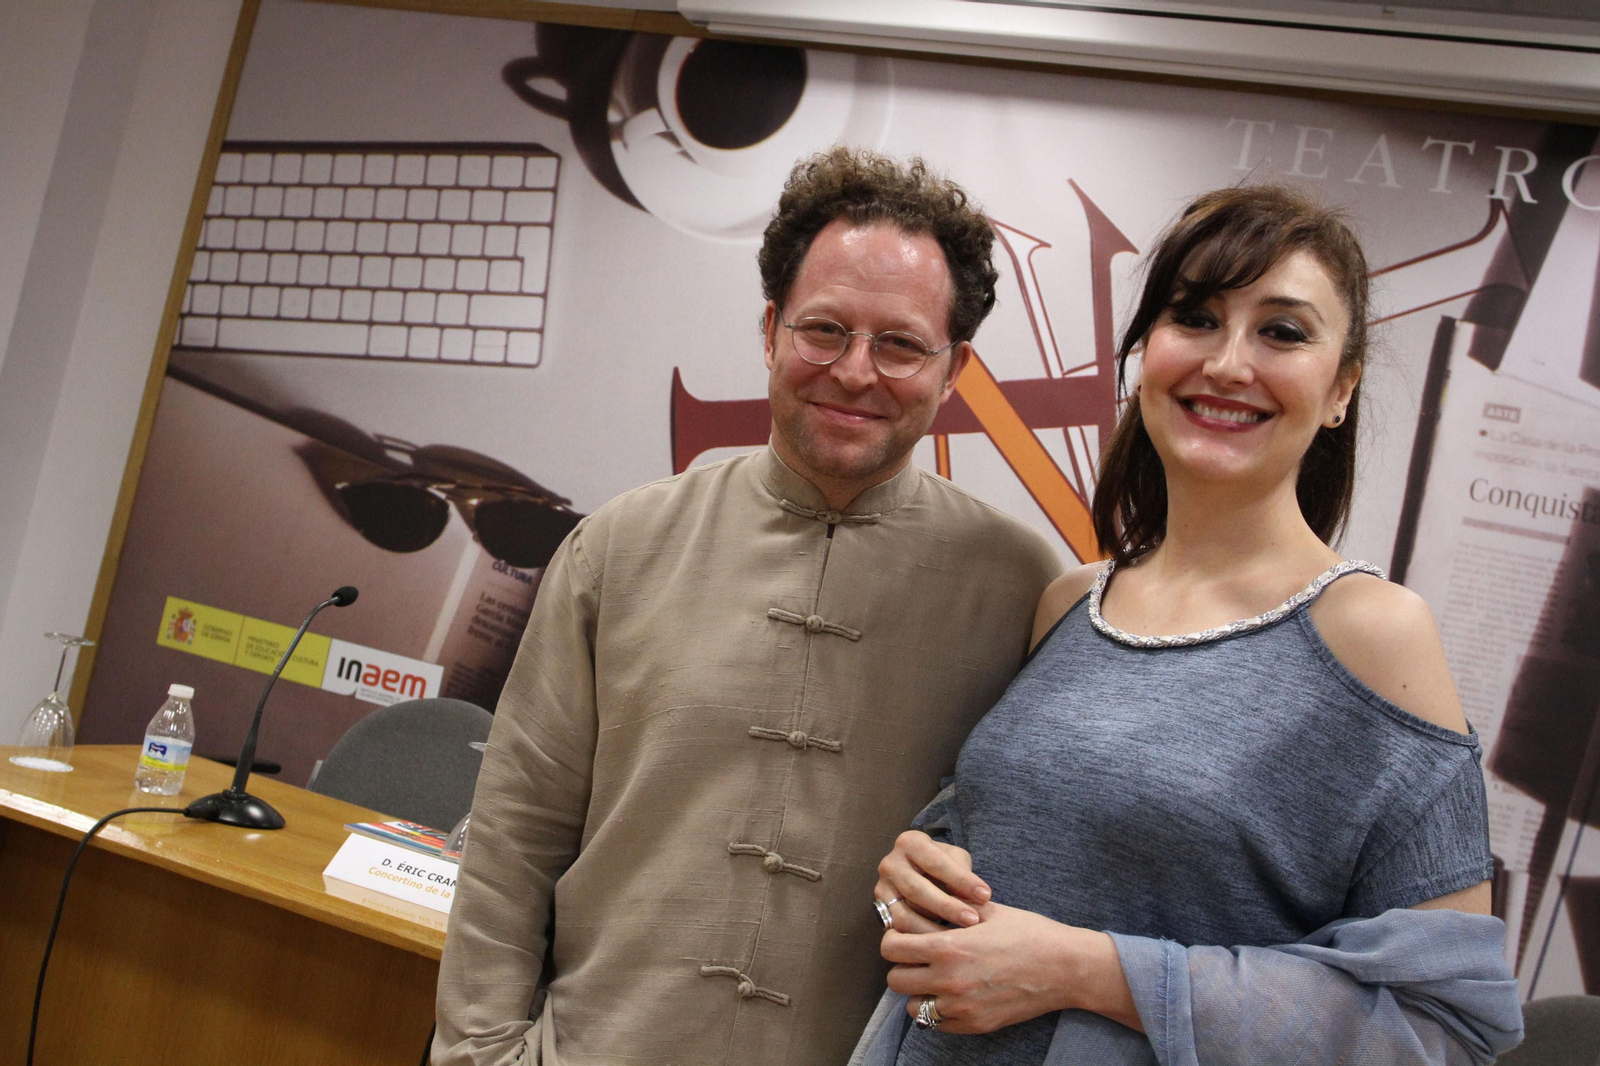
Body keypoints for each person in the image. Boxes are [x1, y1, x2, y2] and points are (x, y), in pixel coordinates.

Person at [856, 185, 1523, 1065]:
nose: (1229, 362)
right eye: (1196, 318)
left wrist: (1090, 973)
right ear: (1145, 355)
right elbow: (1014, 840)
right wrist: (915, 871)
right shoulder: (1069, 604)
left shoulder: (1375, 634)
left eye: (1281, 331)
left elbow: (1442, 1026)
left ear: (1341, 389)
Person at [432, 147, 1063, 1066]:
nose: (855, 372)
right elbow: (514, 835)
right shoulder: (622, 547)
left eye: (899, 344)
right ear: (770, 330)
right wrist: (481, 1055)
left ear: (954, 366)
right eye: (824, 330)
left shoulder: (1020, 589)